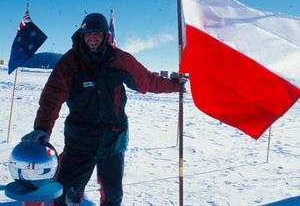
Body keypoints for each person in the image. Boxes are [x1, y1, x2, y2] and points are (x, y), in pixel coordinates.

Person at [21, 13, 185, 206]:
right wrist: (42, 128)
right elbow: (51, 97)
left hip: (113, 139)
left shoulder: (119, 59)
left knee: (113, 195)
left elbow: (146, 81)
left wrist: (175, 85)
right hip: (80, 139)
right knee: (65, 193)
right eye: (88, 33)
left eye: (97, 33)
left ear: (106, 35)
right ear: (82, 35)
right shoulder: (70, 62)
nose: (92, 38)